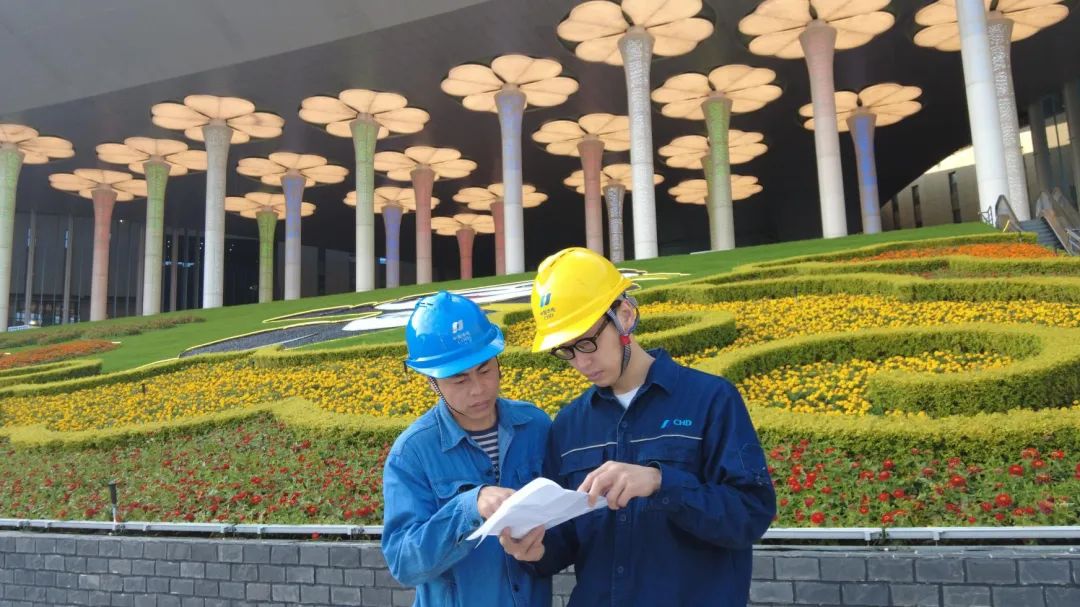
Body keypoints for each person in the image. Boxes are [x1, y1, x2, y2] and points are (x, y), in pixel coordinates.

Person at [500, 247, 776, 606]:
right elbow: (564, 539)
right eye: (566, 351)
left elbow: (750, 515)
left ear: (625, 316)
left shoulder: (711, 400)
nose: (581, 362)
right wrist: (535, 550)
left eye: (587, 341)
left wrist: (661, 482)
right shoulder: (569, 425)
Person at [382, 291, 552, 606]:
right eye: (459, 380)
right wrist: (469, 508)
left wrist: (543, 547)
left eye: (485, 370)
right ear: (432, 381)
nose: (478, 389)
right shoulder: (412, 453)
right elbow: (404, 563)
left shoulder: (535, 426)